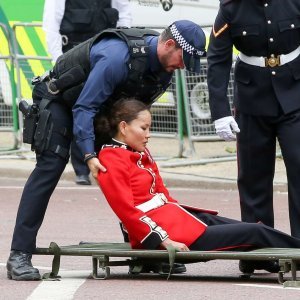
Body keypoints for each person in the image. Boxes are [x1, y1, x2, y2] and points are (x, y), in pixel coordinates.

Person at [7, 20, 206, 280]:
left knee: (130, 171)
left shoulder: (164, 69)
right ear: (169, 45)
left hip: (102, 111)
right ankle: (19, 255)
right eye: (183, 58)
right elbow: (83, 107)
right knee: (50, 167)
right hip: (62, 103)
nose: (182, 66)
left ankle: (147, 249)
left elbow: (133, 113)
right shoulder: (116, 58)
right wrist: (89, 155)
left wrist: (133, 148)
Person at [96, 98, 300, 275]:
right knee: (254, 231)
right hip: (164, 236)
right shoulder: (111, 158)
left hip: (176, 220)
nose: (149, 134)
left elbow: (162, 193)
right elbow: (126, 212)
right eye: (144, 128)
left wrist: (185, 216)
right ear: (123, 127)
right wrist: (164, 241)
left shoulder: (138, 151)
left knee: (256, 228)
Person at [207, 3, 300, 238]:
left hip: (295, 92)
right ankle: (259, 248)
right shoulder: (231, 7)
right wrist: (220, 112)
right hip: (251, 98)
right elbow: (218, 59)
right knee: (252, 176)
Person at [43, 0, 132, 185]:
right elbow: (51, 24)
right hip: (74, 58)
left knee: (106, 111)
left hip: (106, 56)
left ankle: (105, 163)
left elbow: (124, 16)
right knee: (79, 108)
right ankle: (82, 168)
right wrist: (60, 61)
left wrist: (124, 48)